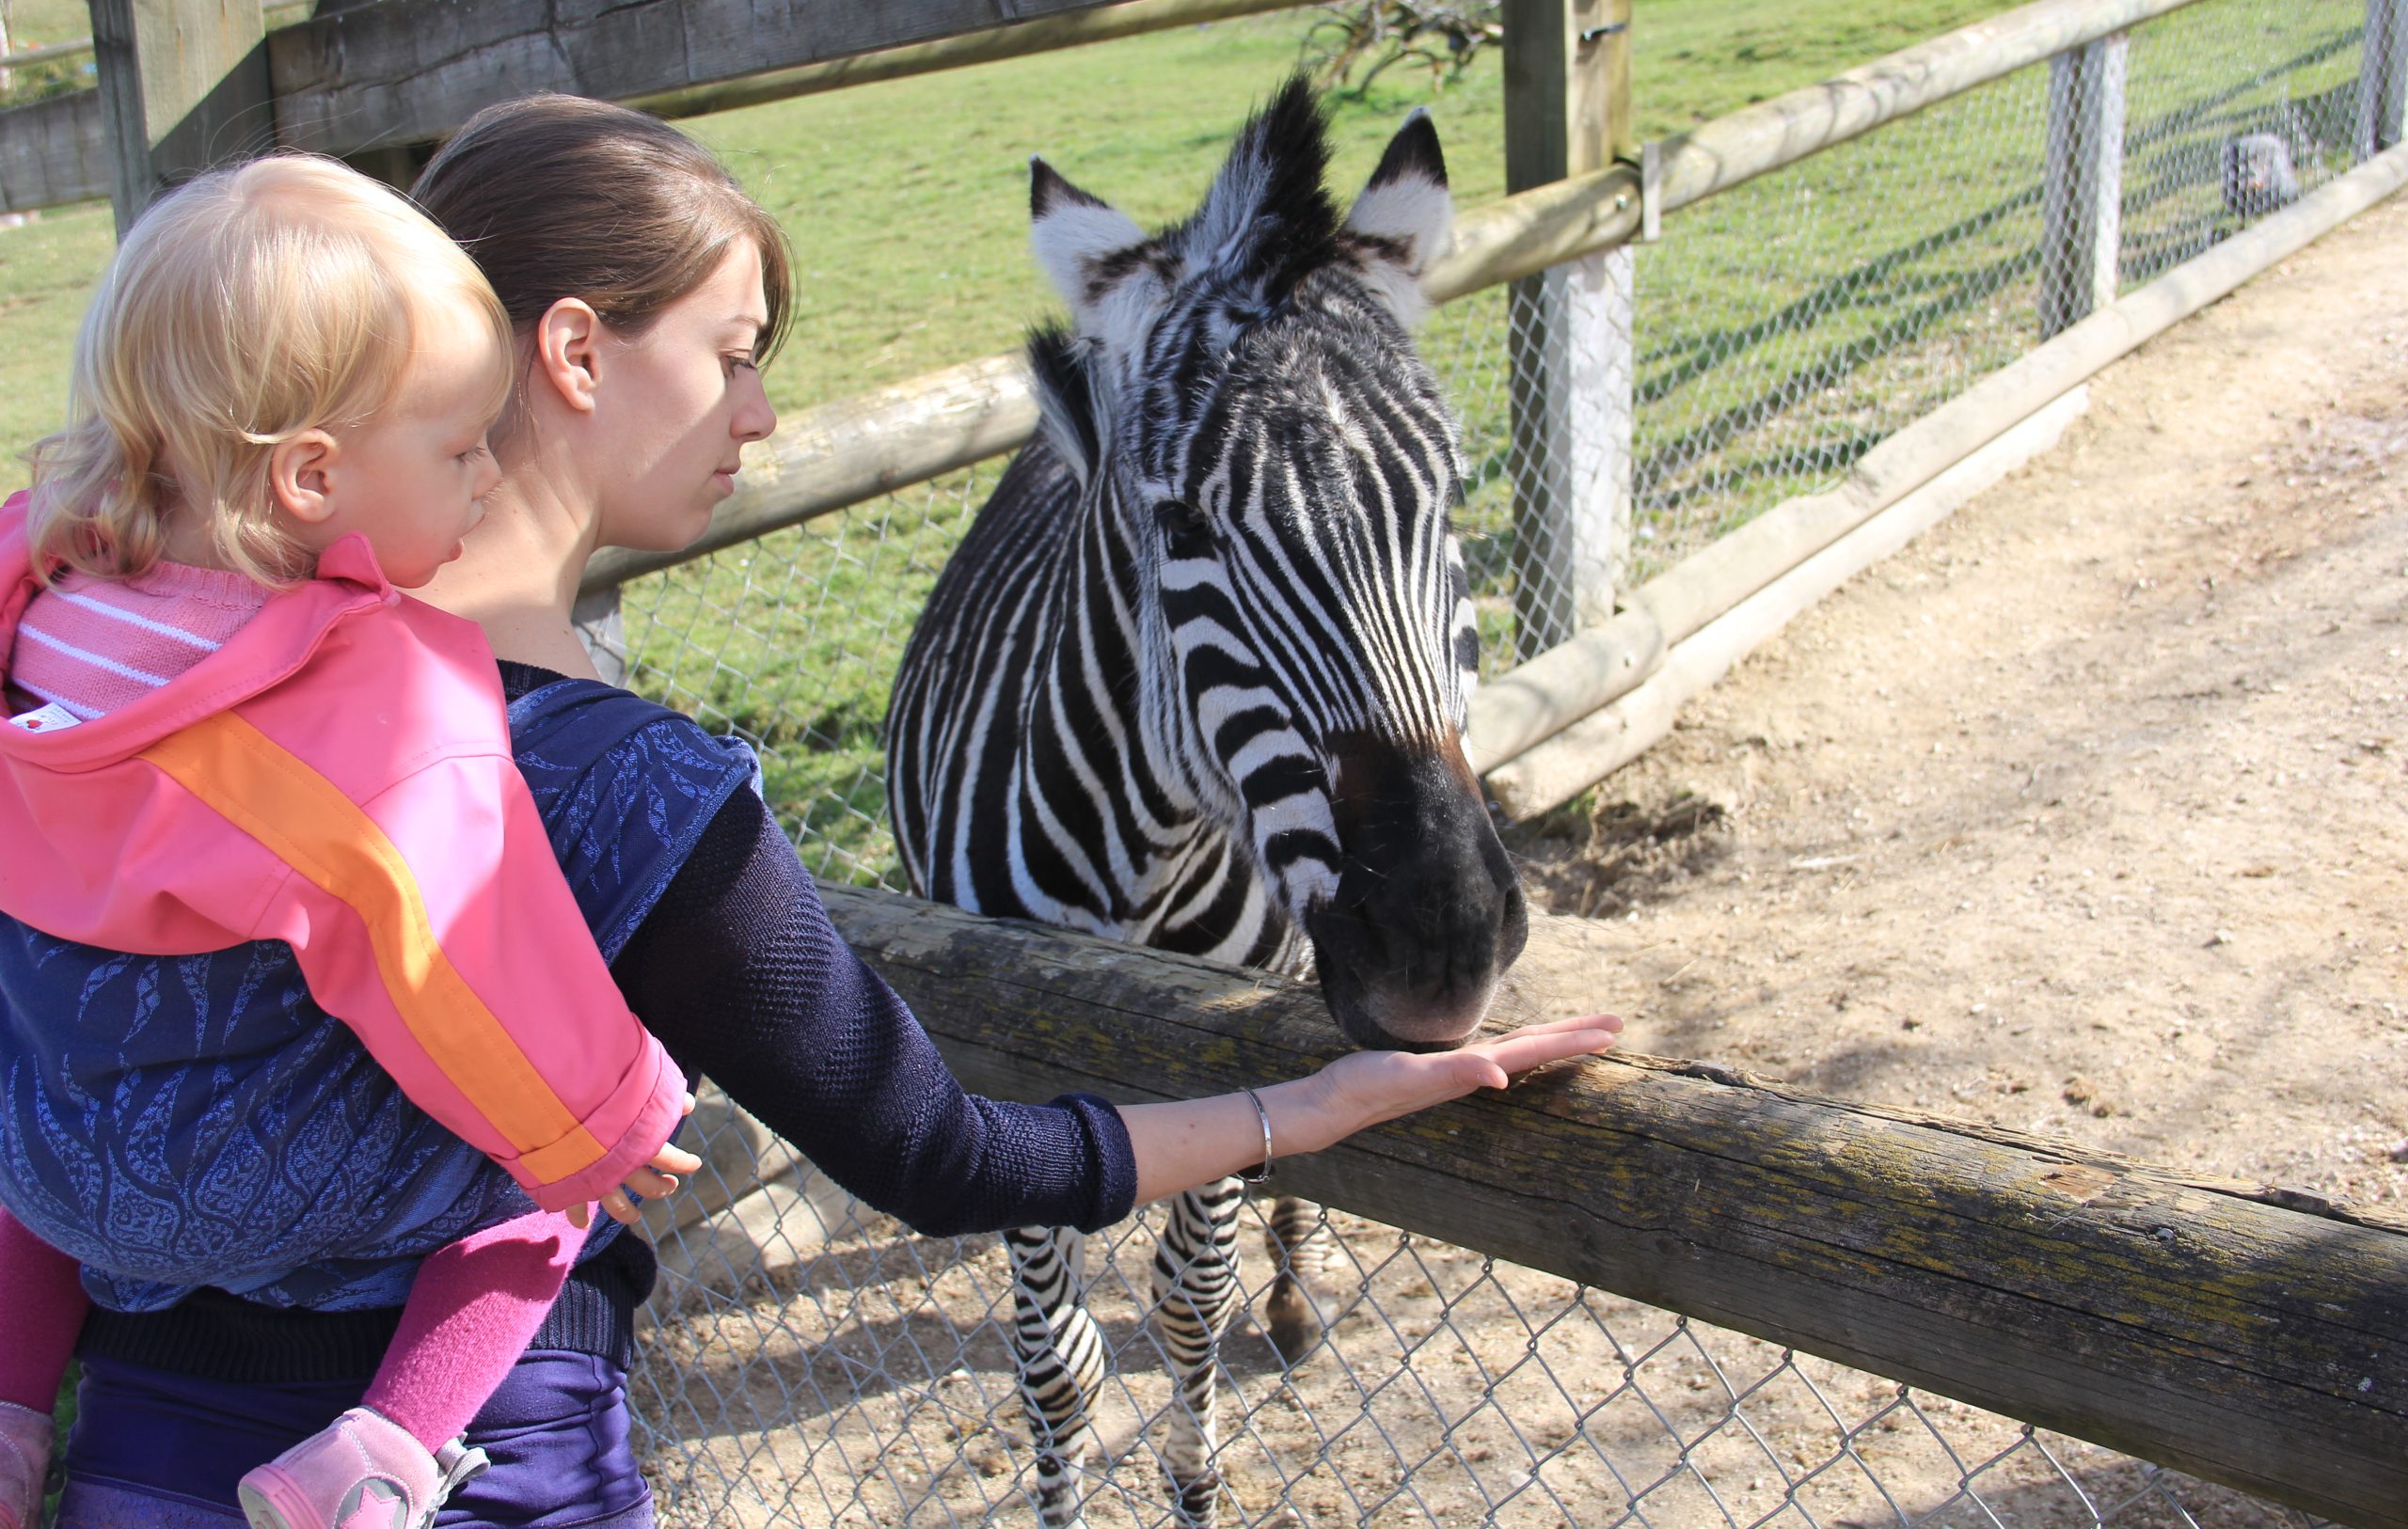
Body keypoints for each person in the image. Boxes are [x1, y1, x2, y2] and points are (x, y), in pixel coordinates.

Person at [4, 96, 1624, 1528]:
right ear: (572, 354)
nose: (763, 415)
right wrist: (1306, 1109)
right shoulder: (622, 789)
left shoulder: (95, 693)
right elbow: (940, 1150)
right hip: (483, 1476)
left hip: (132, 1454)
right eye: (733, 353)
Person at [0, 154, 707, 1529]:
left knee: (26, 1103)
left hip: (63, 1175)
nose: (493, 473)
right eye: (457, 450)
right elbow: (466, 941)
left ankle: (14, 1417)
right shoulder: (375, 705)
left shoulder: (35, 584)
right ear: (312, 476)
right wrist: (608, 1112)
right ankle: (382, 1453)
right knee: (542, 1169)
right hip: (255, 1198)